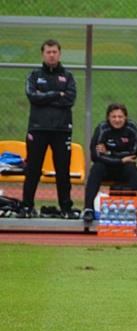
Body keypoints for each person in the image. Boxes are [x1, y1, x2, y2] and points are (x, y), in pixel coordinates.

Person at [19, 39, 77, 218]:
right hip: (38, 129)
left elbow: (70, 99)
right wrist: (56, 94)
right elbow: (33, 96)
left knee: (62, 171)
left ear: (59, 54)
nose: (51, 55)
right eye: (48, 52)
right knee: (33, 169)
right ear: (42, 54)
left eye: (54, 52)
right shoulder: (34, 75)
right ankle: (27, 206)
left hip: (61, 130)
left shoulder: (68, 76)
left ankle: (66, 208)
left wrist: (45, 97)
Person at [82, 103, 137, 222]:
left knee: (132, 169)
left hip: (124, 167)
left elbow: (133, 155)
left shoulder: (132, 129)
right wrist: (119, 159)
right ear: (108, 117)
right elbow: (95, 156)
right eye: (113, 117)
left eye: (120, 117)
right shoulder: (102, 129)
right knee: (96, 168)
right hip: (106, 167)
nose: (117, 120)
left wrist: (109, 153)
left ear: (125, 117)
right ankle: (88, 208)